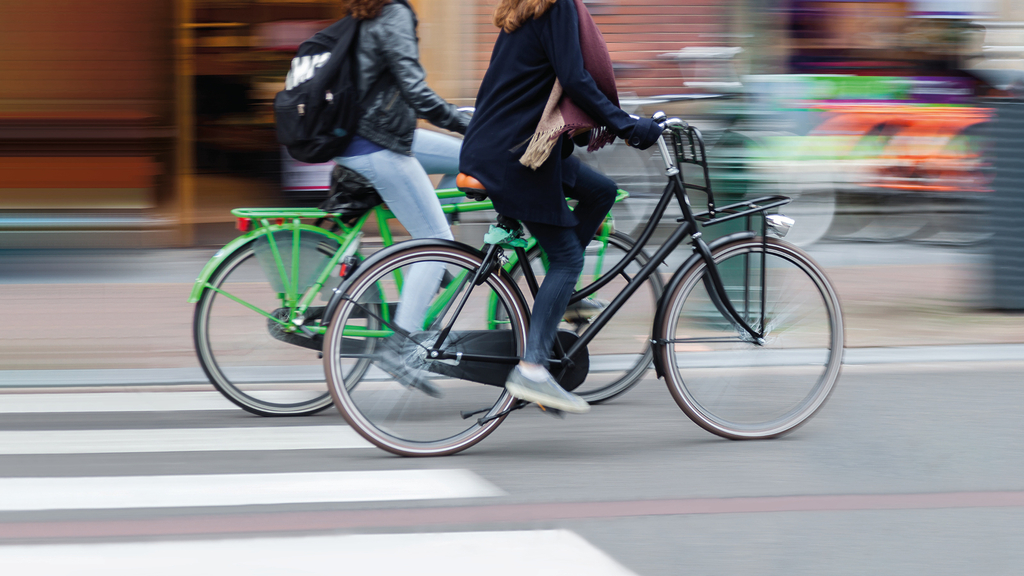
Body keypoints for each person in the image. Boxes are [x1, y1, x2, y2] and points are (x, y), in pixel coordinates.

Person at [459, 0, 662, 413]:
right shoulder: (558, 7)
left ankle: (563, 300)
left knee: (600, 192)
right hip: (517, 155)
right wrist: (627, 126)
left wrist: (623, 121)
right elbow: (576, 79)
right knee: (567, 258)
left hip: (511, 146)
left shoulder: (527, 9)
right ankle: (532, 371)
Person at [335, 0, 470, 396]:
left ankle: (432, 264)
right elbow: (413, 88)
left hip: (369, 132)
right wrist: (462, 121)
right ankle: (402, 348)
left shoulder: (366, 11)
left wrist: (462, 127)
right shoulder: (394, 12)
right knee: (437, 241)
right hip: (377, 142)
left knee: (469, 155)